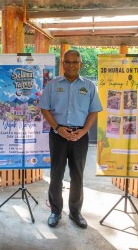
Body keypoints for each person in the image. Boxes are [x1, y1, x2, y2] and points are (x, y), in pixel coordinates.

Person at [38, 49, 102, 228]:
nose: (72, 65)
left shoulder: (89, 86)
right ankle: (55, 211)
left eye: (75, 62)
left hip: (80, 136)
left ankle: (75, 213)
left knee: (77, 176)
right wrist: (57, 128)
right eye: (68, 62)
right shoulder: (52, 85)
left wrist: (84, 131)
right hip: (58, 135)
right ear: (63, 64)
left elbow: (94, 111)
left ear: (80, 64)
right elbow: (45, 108)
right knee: (56, 174)